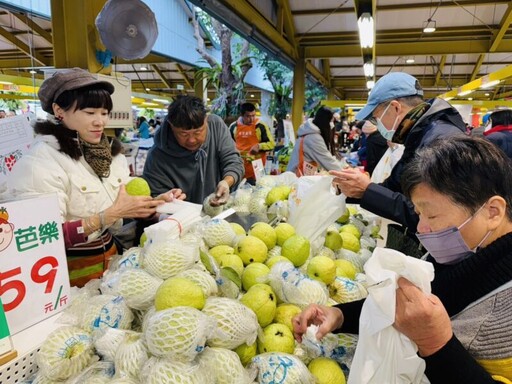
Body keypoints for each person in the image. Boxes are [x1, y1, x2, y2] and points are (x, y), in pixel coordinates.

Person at [294, 136, 512, 383]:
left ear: (493, 212)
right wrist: (340, 315)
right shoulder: (466, 253)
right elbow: (421, 305)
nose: (422, 227)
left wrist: (436, 343)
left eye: (431, 215)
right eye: (419, 214)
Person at [1, 68, 184, 287]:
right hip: (63, 275)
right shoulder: (40, 162)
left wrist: (156, 203)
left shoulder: (109, 155)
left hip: (112, 265)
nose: (100, 122)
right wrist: (107, 216)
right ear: (59, 111)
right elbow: (39, 237)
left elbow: (123, 203)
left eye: (104, 112)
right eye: (90, 113)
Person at [331, 72, 466, 233]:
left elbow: (430, 215)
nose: (377, 125)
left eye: (376, 118)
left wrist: (367, 190)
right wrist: (352, 188)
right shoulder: (418, 136)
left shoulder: (440, 142)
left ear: (395, 107)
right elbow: (395, 186)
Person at [143, 95, 244, 205]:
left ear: (206, 120)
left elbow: (234, 161)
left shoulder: (216, 126)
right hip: (180, 218)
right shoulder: (157, 157)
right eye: (183, 134)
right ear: (171, 126)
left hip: (218, 212)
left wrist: (226, 182)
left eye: (198, 132)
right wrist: (164, 201)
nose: (191, 140)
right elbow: (156, 200)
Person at [286, 106, 343, 175]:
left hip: (299, 176)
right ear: (325, 121)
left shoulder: (310, 132)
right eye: (331, 121)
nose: (332, 125)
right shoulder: (313, 137)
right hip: (297, 178)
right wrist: (347, 174)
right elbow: (327, 161)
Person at [229, 103, 275, 184]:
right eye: (248, 116)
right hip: (239, 165)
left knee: (259, 188)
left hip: (258, 166)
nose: (251, 119)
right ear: (242, 115)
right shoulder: (233, 127)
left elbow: (271, 144)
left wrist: (259, 146)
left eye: (253, 115)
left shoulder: (261, 126)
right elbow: (228, 145)